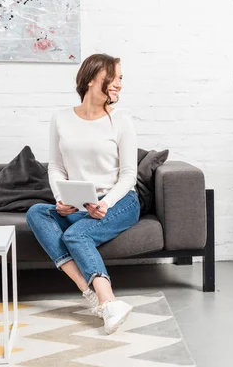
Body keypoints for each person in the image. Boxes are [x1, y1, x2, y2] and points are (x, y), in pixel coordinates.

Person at [26, 53, 140, 333]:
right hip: (79, 203)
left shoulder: (122, 120)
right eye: (112, 78)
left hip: (119, 202)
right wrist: (61, 200)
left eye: (121, 79)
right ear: (91, 80)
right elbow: (55, 166)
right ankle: (86, 286)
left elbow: (128, 175)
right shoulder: (61, 118)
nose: (119, 84)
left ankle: (107, 299)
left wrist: (106, 203)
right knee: (36, 213)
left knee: (75, 234)